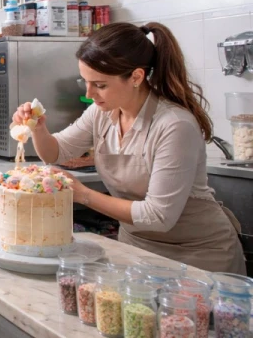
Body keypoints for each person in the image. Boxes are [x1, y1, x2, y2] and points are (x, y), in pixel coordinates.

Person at [12, 21, 244, 274]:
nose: (89, 94)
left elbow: (158, 216)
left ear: (136, 77)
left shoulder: (174, 125)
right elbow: (56, 152)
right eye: (85, 81)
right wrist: (38, 128)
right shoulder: (101, 113)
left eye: (100, 85)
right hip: (136, 247)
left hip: (199, 254)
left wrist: (81, 193)